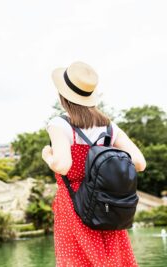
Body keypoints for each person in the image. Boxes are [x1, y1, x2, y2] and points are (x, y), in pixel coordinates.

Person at [42, 61, 146, 267]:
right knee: (111, 261)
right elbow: (140, 163)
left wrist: (47, 155)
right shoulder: (108, 126)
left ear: (62, 97)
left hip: (74, 206)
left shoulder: (59, 124)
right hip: (107, 205)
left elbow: (62, 165)